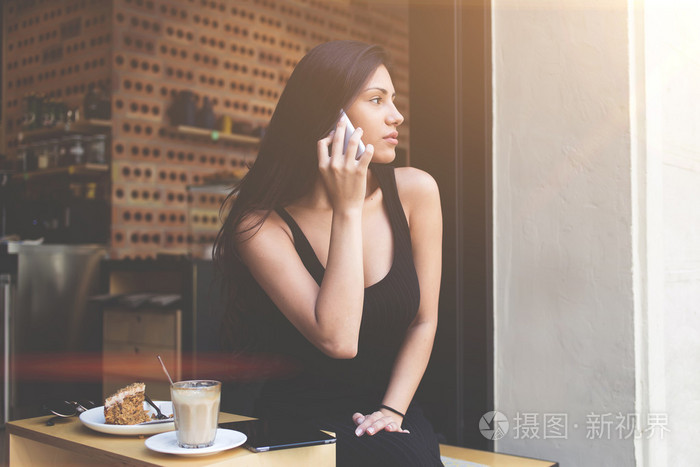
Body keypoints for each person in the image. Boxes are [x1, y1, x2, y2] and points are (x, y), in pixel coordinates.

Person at [214, 40, 443, 466]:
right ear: (328, 117)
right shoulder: (260, 226)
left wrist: (392, 411)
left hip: (392, 411)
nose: (397, 115)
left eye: (394, 100)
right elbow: (339, 339)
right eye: (377, 100)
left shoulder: (417, 192)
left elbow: (423, 321)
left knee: (402, 455)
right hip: (300, 422)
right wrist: (348, 207)